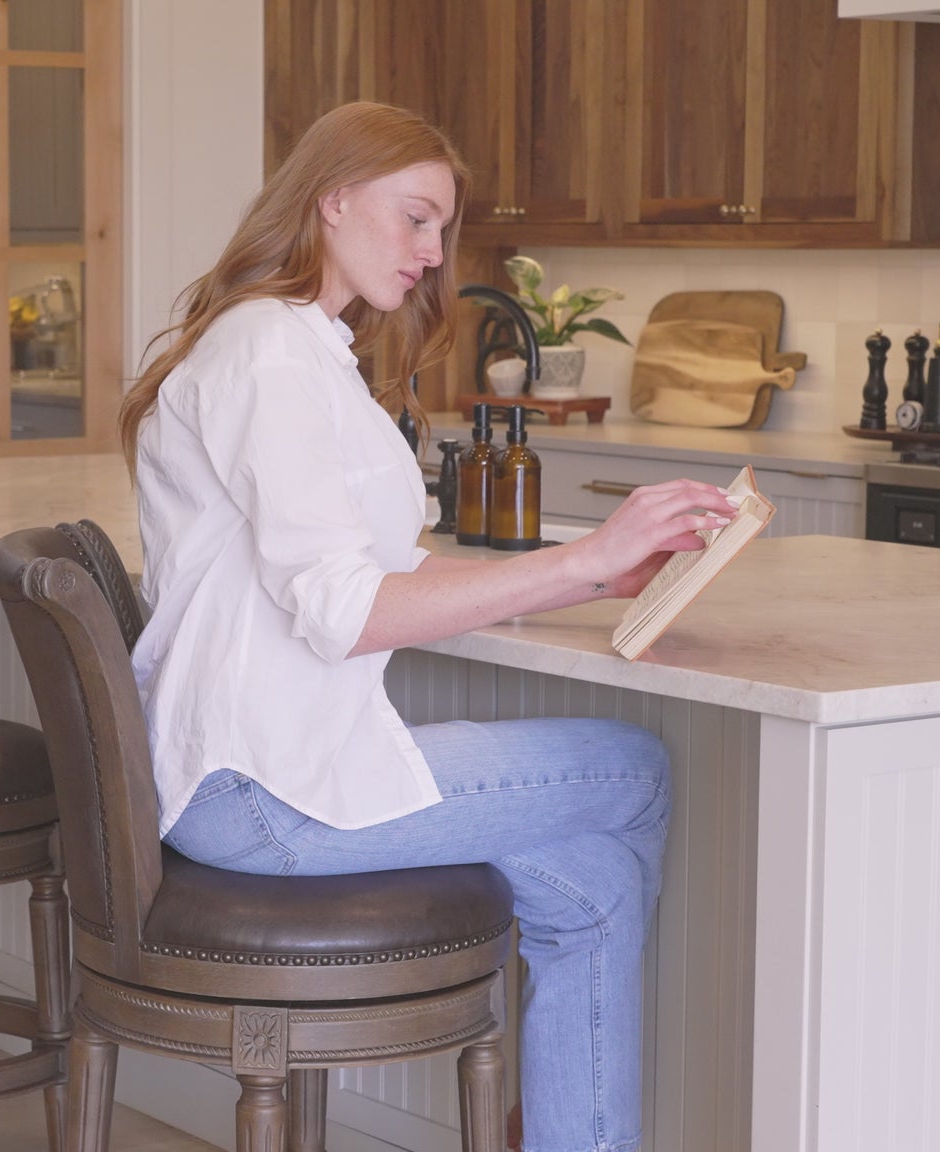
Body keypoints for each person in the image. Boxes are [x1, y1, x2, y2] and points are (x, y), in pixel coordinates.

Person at [118, 101, 738, 1152]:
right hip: (264, 788)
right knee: (630, 768)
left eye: (441, 229)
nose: (431, 253)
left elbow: (380, 569)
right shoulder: (268, 352)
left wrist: (593, 579)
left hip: (253, 768)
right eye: (414, 219)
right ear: (332, 198)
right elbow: (342, 610)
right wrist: (579, 557)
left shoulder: (301, 348)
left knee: (589, 893)